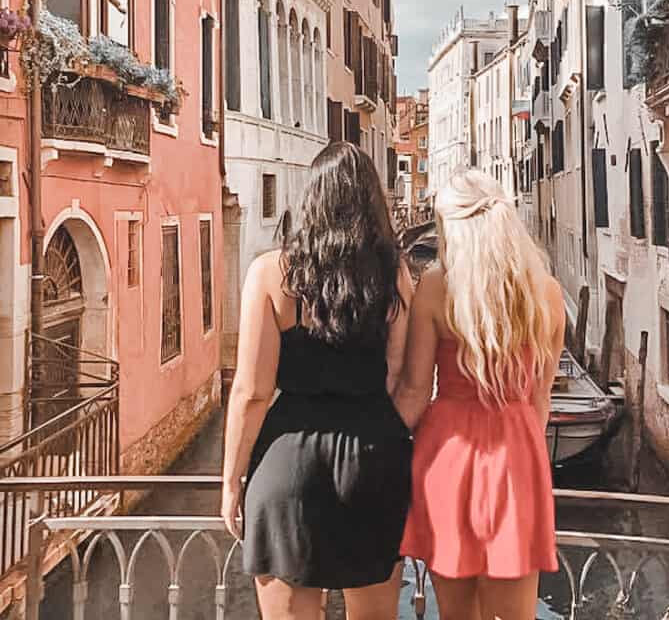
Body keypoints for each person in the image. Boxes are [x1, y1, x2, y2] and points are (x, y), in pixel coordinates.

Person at [221, 142, 414, 620]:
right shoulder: (396, 277)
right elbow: (396, 378)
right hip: (373, 459)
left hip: (287, 464)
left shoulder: (271, 274)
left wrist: (231, 482)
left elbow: (252, 392)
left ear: (312, 199)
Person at [394, 169, 565, 620]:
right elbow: (540, 398)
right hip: (516, 457)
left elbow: (414, 392)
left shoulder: (434, 287)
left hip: (447, 457)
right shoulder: (545, 294)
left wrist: (372, 438)